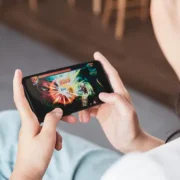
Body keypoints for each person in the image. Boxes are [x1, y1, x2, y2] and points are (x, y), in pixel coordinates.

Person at [0, 0, 179, 179]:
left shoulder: (134, 172)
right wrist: (138, 141)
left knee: (9, 132)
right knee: (9, 127)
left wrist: (28, 171)